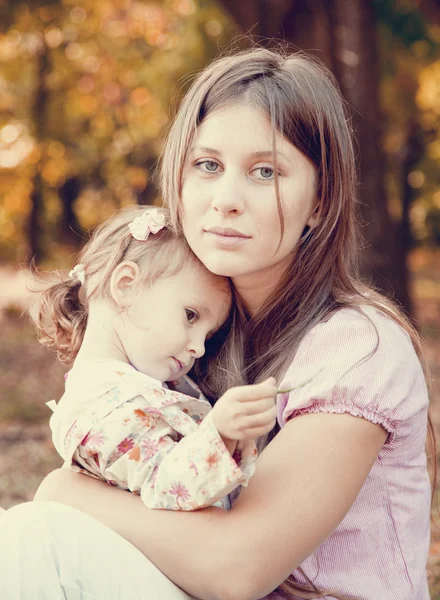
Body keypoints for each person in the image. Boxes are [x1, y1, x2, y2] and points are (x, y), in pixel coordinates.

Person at [0, 47, 434, 600]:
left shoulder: (357, 347)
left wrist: (67, 490)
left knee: (36, 539)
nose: (225, 199)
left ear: (320, 201)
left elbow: (237, 569)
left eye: (265, 171)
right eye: (207, 166)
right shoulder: (193, 336)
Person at [30, 204, 276, 511]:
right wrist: (219, 432)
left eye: (208, 335)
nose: (198, 349)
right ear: (126, 285)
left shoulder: (135, 385)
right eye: (190, 315)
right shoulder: (101, 407)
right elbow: (166, 484)